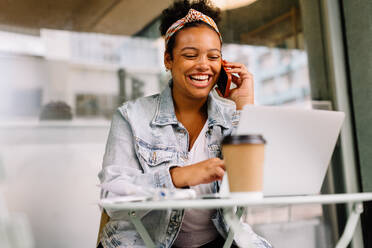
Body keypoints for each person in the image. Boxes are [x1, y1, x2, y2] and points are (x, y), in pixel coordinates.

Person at [98, 0, 272, 247]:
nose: (203, 65)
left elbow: (253, 187)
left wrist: (244, 108)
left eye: (213, 56)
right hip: (145, 241)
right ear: (168, 59)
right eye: (190, 55)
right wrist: (179, 176)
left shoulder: (231, 117)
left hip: (220, 240)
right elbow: (111, 197)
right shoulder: (131, 117)